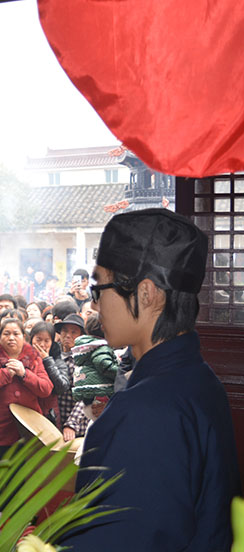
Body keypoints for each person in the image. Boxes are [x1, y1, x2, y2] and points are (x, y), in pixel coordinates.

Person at [62, 209, 240, 551]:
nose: (95, 306)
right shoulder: (198, 380)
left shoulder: (145, 411)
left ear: (146, 293)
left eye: (99, 289)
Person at [0, 318, 53, 470]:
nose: (11, 338)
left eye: (16, 334)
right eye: (6, 334)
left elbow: (46, 388)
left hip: (28, 430)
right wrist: (5, 374)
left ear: (24, 336)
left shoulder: (33, 357)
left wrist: (24, 374)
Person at [70, 313, 118, 423]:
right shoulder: (101, 346)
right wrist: (119, 372)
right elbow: (103, 364)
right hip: (100, 393)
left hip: (88, 396)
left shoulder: (85, 347)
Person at [29, 320, 71, 427]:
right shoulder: (22, 357)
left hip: (49, 415)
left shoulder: (57, 360)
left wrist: (47, 360)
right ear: (31, 339)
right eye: (38, 339)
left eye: (47, 341)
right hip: (27, 411)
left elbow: (62, 386)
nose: (42, 345)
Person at [54, 314, 87, 441]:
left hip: (75, 430)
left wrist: (71, 424)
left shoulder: (83, 361)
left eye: (74, 332)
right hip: (53, 424)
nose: (68, 335)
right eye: (65, 331)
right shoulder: (52, 355)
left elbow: (85, 396)